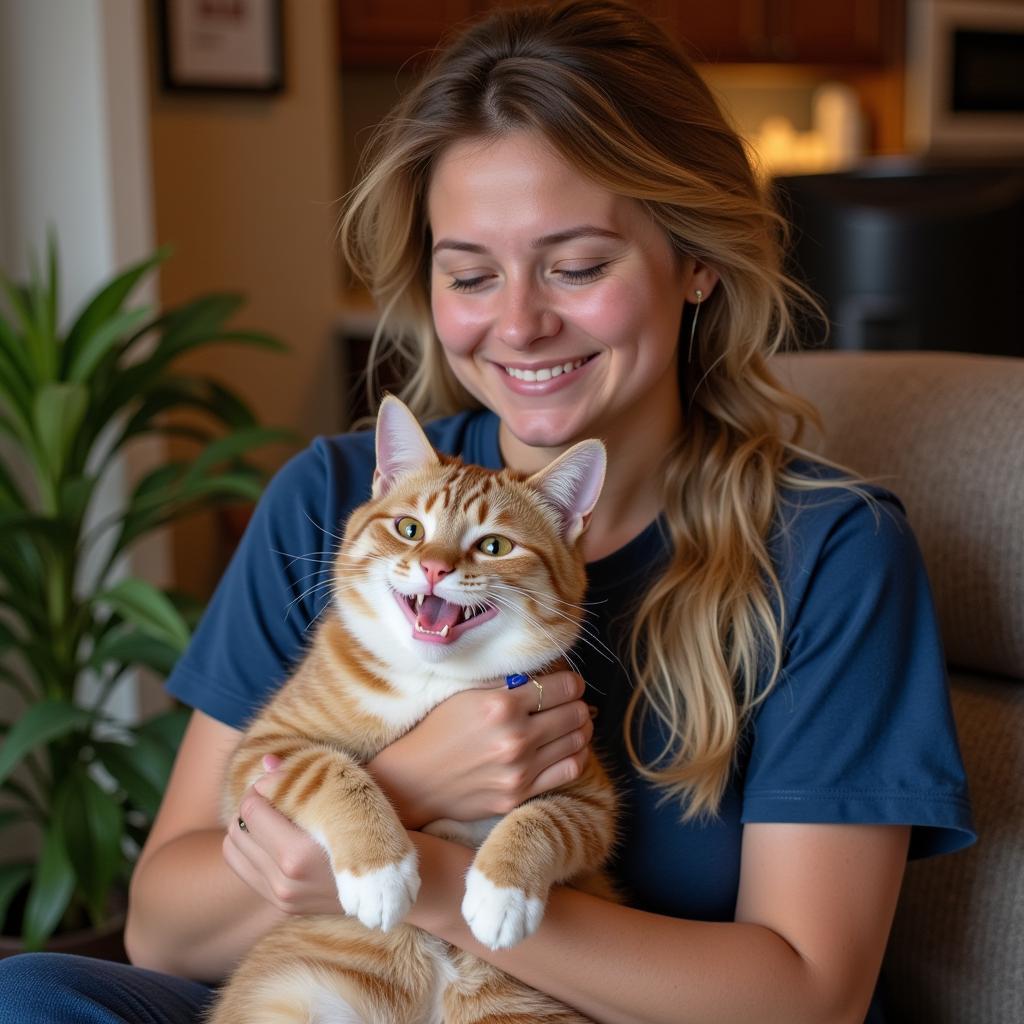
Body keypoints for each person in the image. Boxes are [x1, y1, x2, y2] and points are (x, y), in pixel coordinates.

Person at [0, 2, 974, 1022]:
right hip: (329, 996)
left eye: (577, 264)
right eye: (469, 272)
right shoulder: (339, 502)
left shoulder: (828, 552)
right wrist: (411, 785)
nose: (517, 322)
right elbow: (165, 926)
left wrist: (425, 877)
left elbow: (807, 999)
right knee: (30, 995)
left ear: (697, 262)